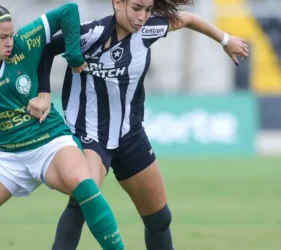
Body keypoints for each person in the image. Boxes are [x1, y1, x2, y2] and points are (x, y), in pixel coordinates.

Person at [30, 0, 250, 249]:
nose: (143, 17)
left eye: (147, 9)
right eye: (137, 8)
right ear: (118, 3)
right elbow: (45, 50)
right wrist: (44, 93)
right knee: (82, 203)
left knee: (159, 219)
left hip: (130, 135)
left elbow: (188, 19)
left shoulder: (148, 30)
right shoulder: (89, 34)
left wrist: (225, 40)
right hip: (89, 135)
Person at [0, 1, 125, 249]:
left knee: (84, 184)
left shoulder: (24, 42)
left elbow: (68, 10)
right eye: (3, 37)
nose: (10, 42)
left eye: (11, 35)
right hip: (7, 156)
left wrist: (74, 54)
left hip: (50, 141)